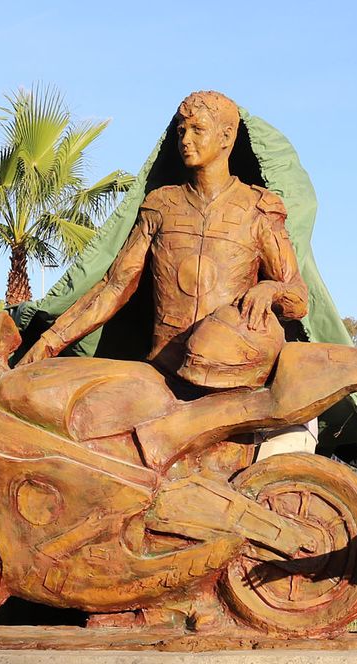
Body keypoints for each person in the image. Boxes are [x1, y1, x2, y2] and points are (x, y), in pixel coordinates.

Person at [18, 90, 315, 456]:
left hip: (230, 390)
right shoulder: (161, 205)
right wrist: (48, 343)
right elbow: (114, 287)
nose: (185, 140)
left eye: (197, 129)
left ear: (226, 137)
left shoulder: (259, 209)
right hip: (160, 381)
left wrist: (270, 290)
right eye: (180, 130)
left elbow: (298, 297)